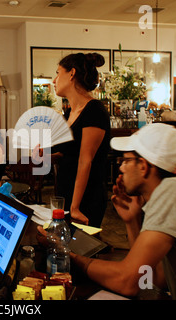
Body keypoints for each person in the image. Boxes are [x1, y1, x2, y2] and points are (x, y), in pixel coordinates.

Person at [40, 123, 176, 299]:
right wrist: (132, 220)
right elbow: (155, 277)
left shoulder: (171, 192)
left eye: (126, 160)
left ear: (143, 166)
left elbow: (128, 282)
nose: (121, 168)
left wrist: (66, 253)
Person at [34, 53, 110, 226]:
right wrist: (49, 155)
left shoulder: (94, 110)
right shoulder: (70, 112)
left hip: (85, 197)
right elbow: (71, 152)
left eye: (58, 73)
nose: (54, 80)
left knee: (79, 249)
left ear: (72, 73)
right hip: (67, 191)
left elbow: (85, 161)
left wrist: (75, 207)